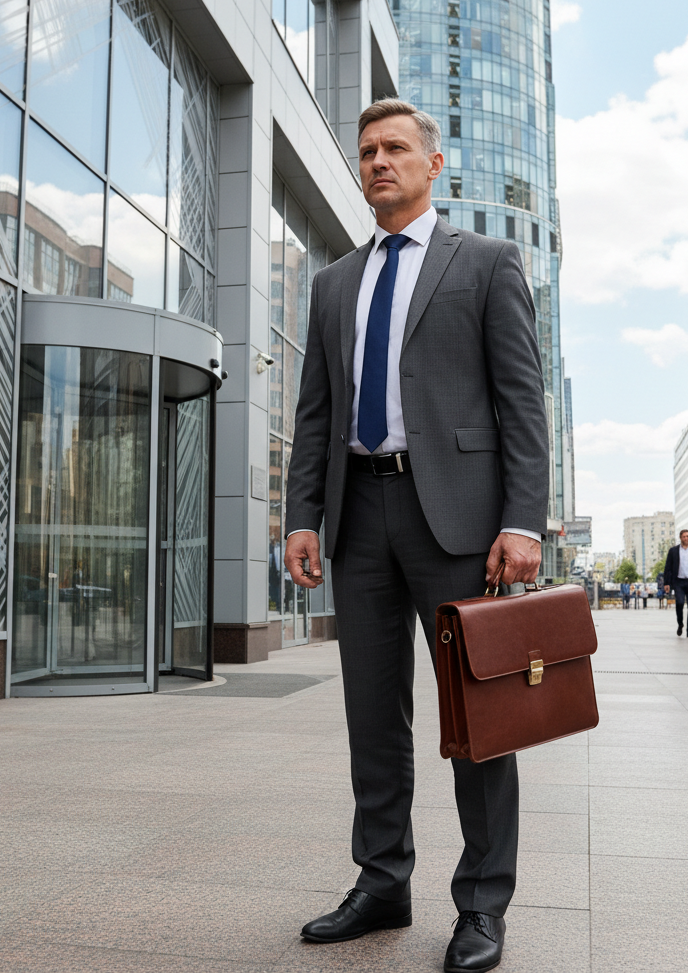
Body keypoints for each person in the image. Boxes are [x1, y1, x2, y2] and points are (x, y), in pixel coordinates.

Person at [283, 98, 549, 973]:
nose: (378, 163)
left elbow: (521, 404)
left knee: (478, 718)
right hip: (359, 517)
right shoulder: (332, 284)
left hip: (461, 523)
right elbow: (315, 413)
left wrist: (522, 520)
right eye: (367, 152)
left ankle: (481, 905)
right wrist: (301, 516)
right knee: (373, 715)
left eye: (396, 148)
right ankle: (381, 881)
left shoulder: (487, 262)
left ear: (434, 165)